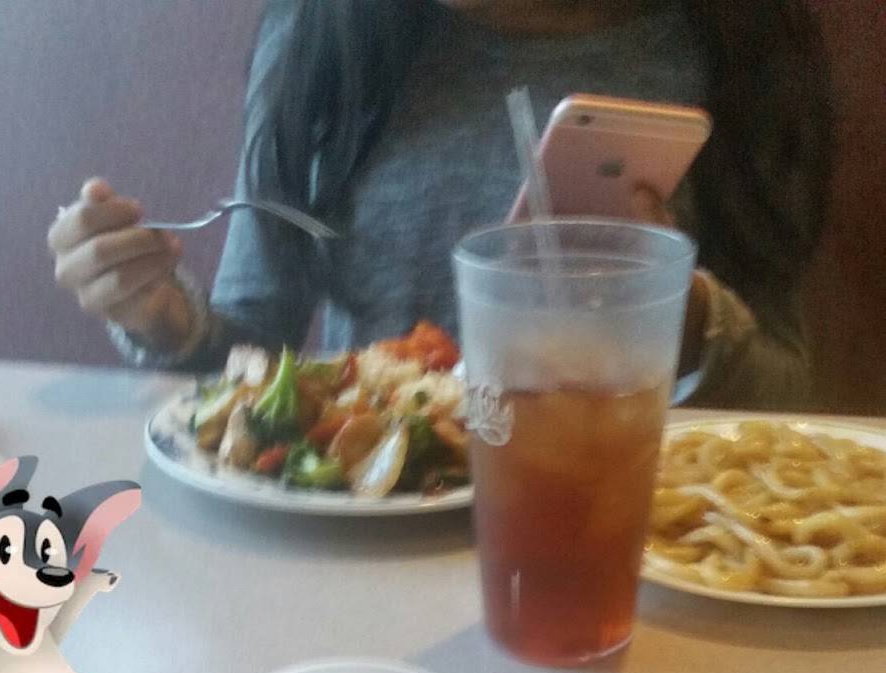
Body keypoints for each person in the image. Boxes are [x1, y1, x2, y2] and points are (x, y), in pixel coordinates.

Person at [48, 1, 833, 408]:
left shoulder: (726, 41)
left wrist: (678, 315)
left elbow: (790, 398)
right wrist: (167, 322)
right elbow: (250, 351)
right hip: (359, 539)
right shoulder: (321, 32)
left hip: (616, 549)